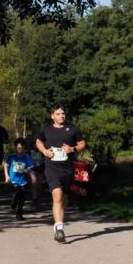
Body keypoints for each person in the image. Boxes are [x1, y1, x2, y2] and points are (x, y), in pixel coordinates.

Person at [36, 104, 85, 243]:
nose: (61, 116)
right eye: (58, 114)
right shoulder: (47, 130)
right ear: (52, 116)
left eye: (63, 113)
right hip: (51, 168)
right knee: (57, 196)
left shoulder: (72, 129)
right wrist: (45, 151)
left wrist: (72, 149)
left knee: (63, 199)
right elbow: (38, 141)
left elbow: (82, 143)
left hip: (67, 169)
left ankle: (59, 221)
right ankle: (59, 229)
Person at [4, 138, 34, 220]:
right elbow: (5, 165)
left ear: (24, 148)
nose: (20, 150)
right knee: (16, 192)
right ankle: (13, 204)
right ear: (15, 148)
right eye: (18, 148)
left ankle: (19, 214)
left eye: (22, 148)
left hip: (23, 180)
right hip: (13, 179)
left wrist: (27, 170)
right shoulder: (11, 157)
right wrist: (7, 176)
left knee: (22, 198)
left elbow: (30, 167)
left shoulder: (26, 157)